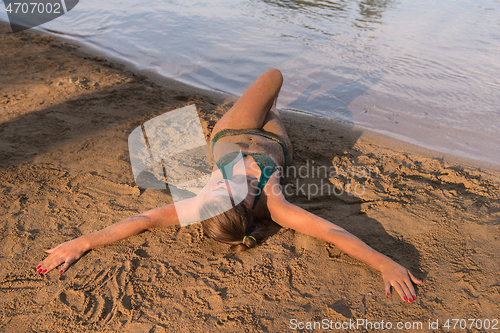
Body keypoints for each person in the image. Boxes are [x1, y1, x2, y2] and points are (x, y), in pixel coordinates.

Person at [36, 69, 421, 303]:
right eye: (221, 190)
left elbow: (143, 219)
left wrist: (80, 242)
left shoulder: (205, 205)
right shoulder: (275, 206)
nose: (212, 188)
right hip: (275, 145)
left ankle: (254, 104)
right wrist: (384, 262)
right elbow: (333, 231)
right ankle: (266, 107)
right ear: (241, 202)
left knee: (271, 81)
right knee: (273, 93)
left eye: (210, 193)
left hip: (231, 134)